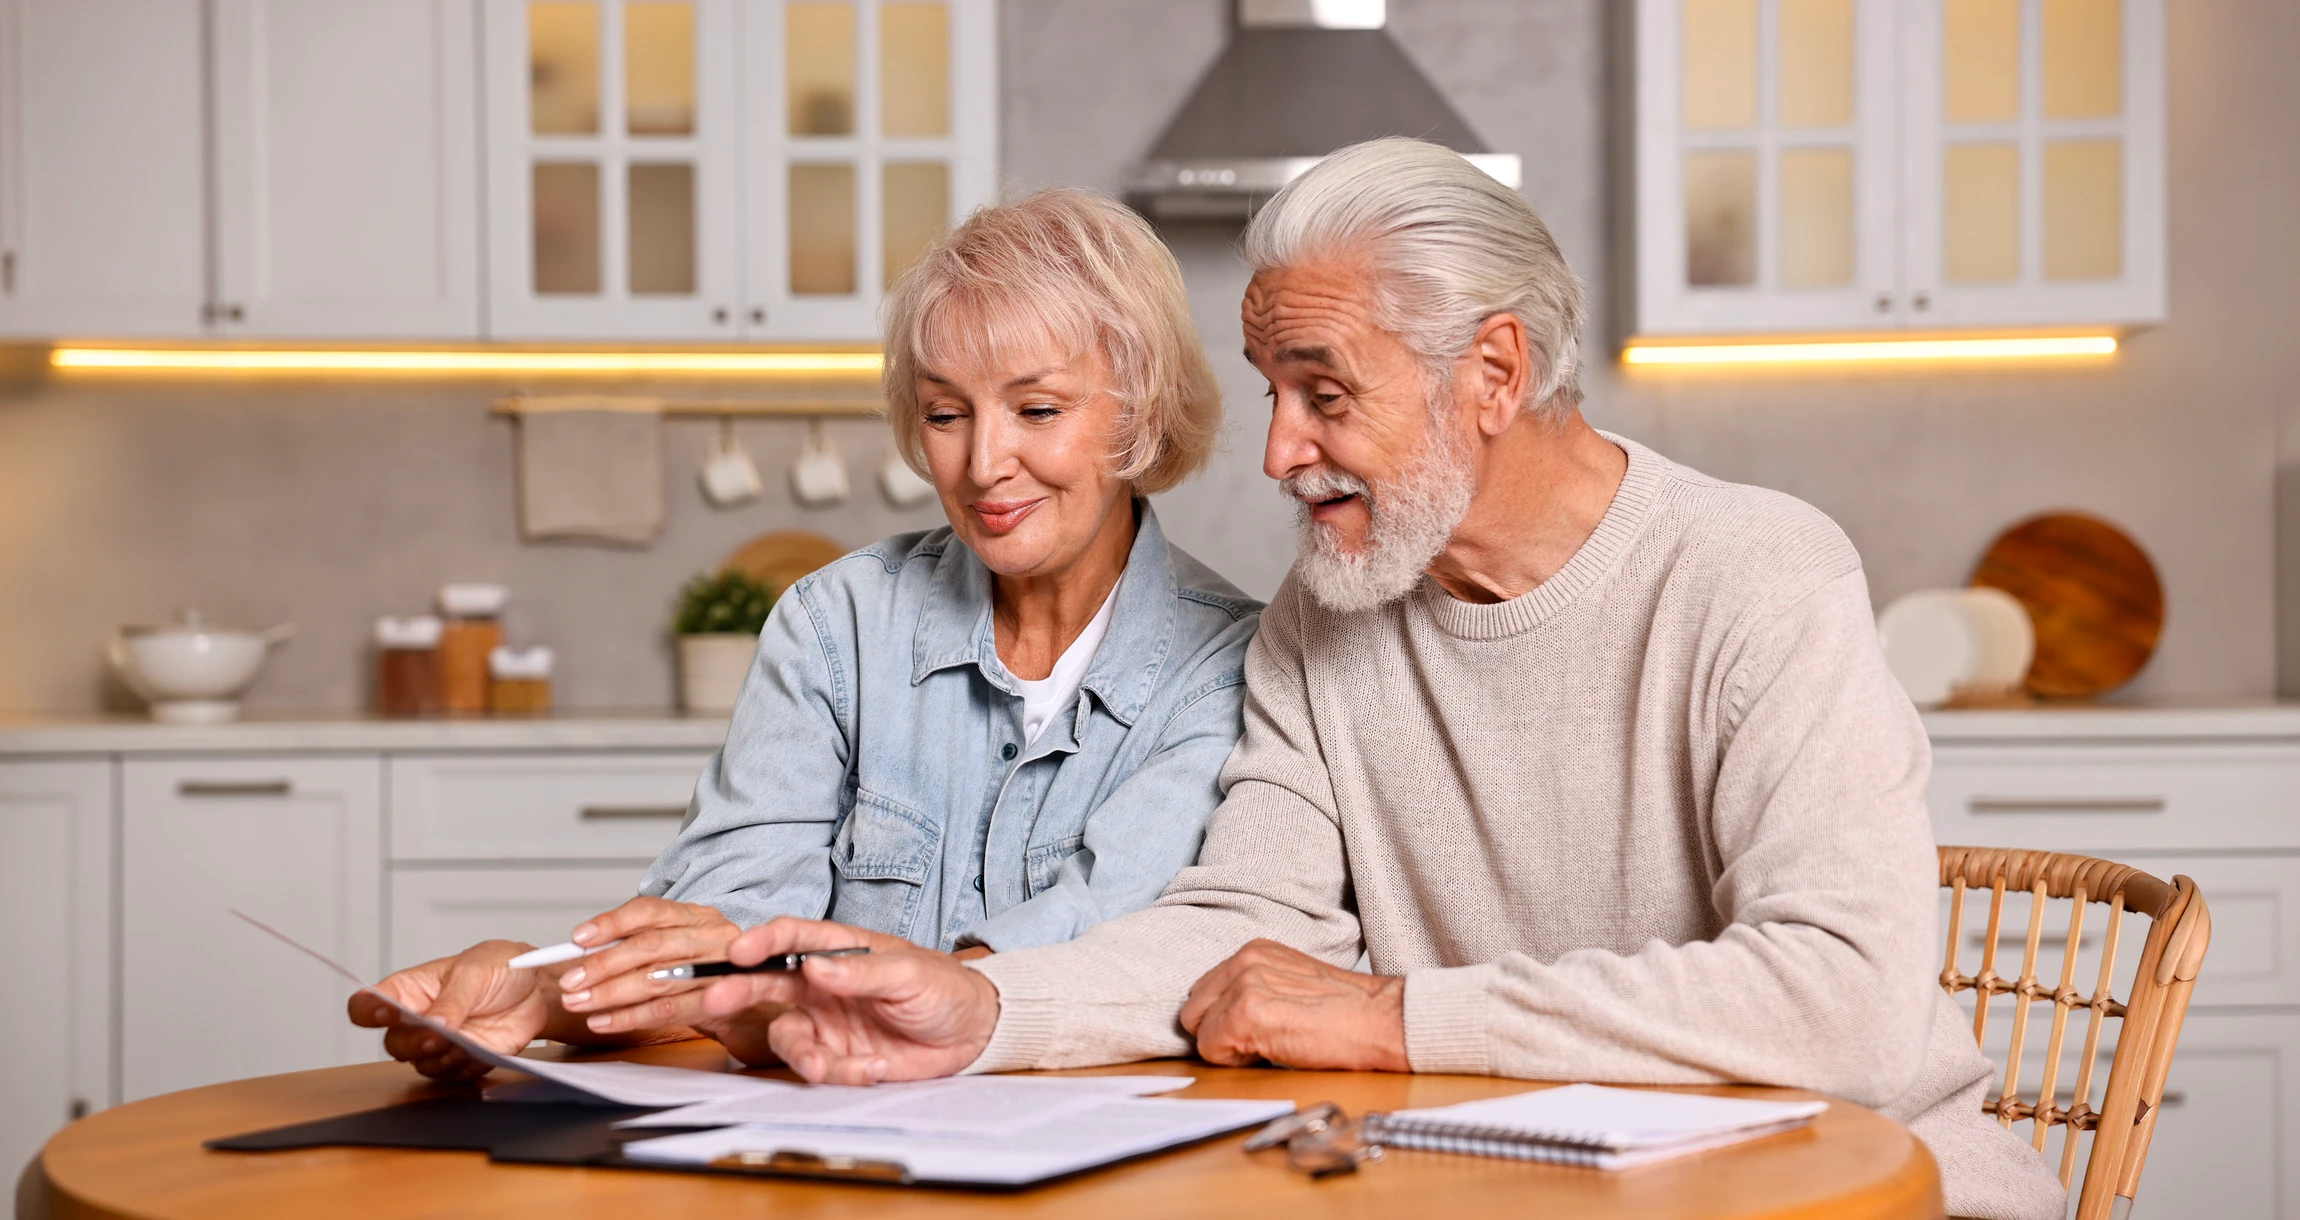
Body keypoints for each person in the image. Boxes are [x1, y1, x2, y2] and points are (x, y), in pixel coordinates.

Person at [689, 140, 2069, 1220]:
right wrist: (985, 1009)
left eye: (1324, 391)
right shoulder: (1322, 616)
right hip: (1523, 1187)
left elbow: (1845, 1000)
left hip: (1860, 1195)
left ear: (1492, 371)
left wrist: (1401, 1017)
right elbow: (1233, 924)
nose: (1279, 452)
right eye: (1269, 391)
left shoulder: (1757, 574)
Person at [348, 189, 1263, 1075]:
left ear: (1139, 411)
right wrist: (545, 991)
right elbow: (720, 926)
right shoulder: (836, 624)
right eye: (946, 414)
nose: (984, 464)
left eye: (1038, 410)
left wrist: (786, 983)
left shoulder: (1229, 666)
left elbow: (1115, 939)